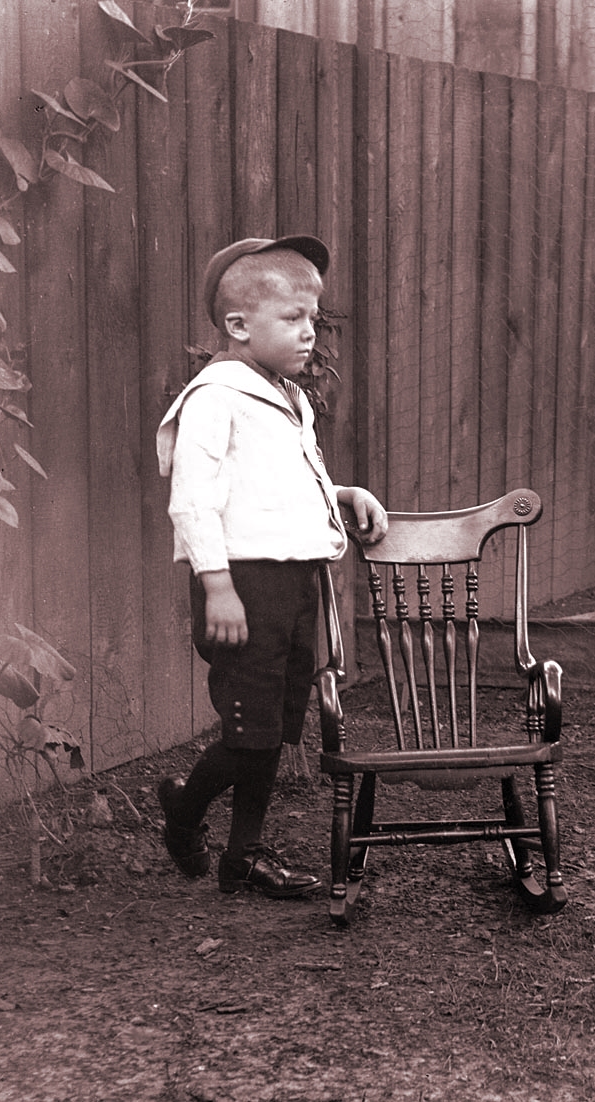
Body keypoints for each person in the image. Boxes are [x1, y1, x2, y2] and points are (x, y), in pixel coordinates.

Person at [155, 234, 387, 899]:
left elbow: (281, 487)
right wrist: (217, 585)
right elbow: (192, 500)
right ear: (237, 325)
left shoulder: (288, 398)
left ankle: (243, 856)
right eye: (292, 318)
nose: (308, 332)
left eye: (313, 318)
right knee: (247, 730)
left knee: (276, 727)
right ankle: (185, 810)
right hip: (242, 584)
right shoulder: (216, 397)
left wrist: (343, 496)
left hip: (292, 582)